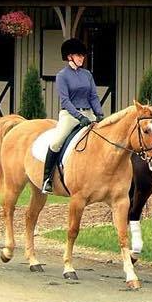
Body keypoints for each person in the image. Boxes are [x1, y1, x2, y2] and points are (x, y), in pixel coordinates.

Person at [41, 37, 104, 194]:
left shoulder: (87, 74)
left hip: (88, 112)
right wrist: (78, 116)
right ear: (70, 57)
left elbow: (93, 96)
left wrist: (99, 114)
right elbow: (65, 100)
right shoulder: (62, 76)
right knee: (56, 142)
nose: (82, 58)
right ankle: (47, 179)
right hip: (69, 114)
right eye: (79, 55)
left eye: (83, 56)